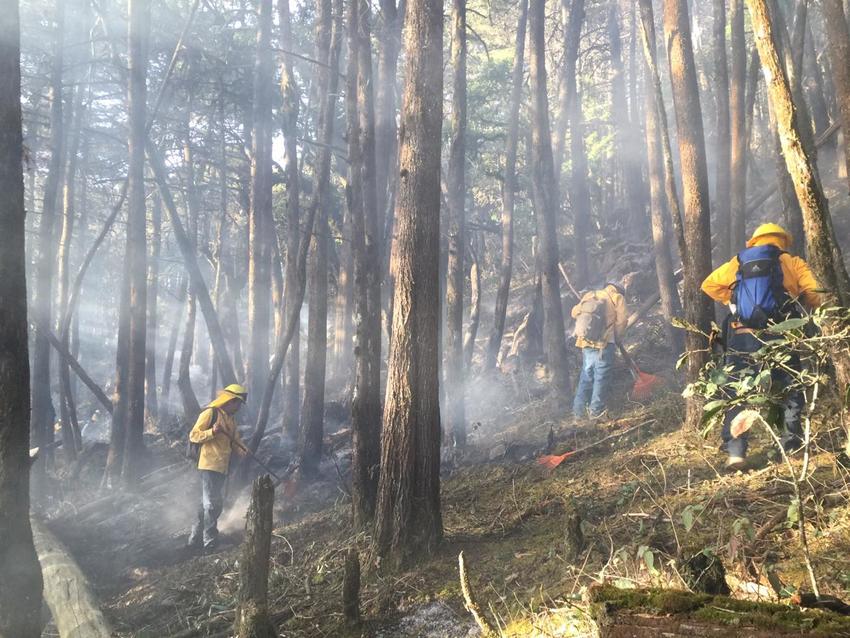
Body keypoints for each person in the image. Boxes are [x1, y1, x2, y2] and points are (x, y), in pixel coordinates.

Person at [701, 223, 821, 471]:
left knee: (739, 390)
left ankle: (736, 453)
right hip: (781, 335)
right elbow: (815, 294)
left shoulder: (738, 262)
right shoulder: (792, 262)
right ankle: (790, 448)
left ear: (754, 242)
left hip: (742, 334)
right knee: (789, 388)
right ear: (782, 242)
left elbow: (709, 285)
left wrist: (734, 301)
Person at [187, 384, 248, 549]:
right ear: (230, 401)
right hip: (208, 465)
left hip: (221, 467)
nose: (239, 407)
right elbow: (193, 435)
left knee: (206, 504)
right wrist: (212, 432)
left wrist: (243, 450)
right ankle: (210, 544)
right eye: (238, 403)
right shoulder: (210, 413)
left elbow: (235, 441)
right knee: (212, 505)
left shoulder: (230, 419)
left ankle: (194, 540)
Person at [570, 281, 628, 420]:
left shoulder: (591, 294)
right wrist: (617, 336)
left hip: (586, 342)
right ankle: (596, 412)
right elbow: (623, 320)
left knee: (586, 376)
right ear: (618, 289)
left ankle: (578, 412)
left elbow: (574, 313)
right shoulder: (617, 298)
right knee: (601, 377)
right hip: (604, 344)